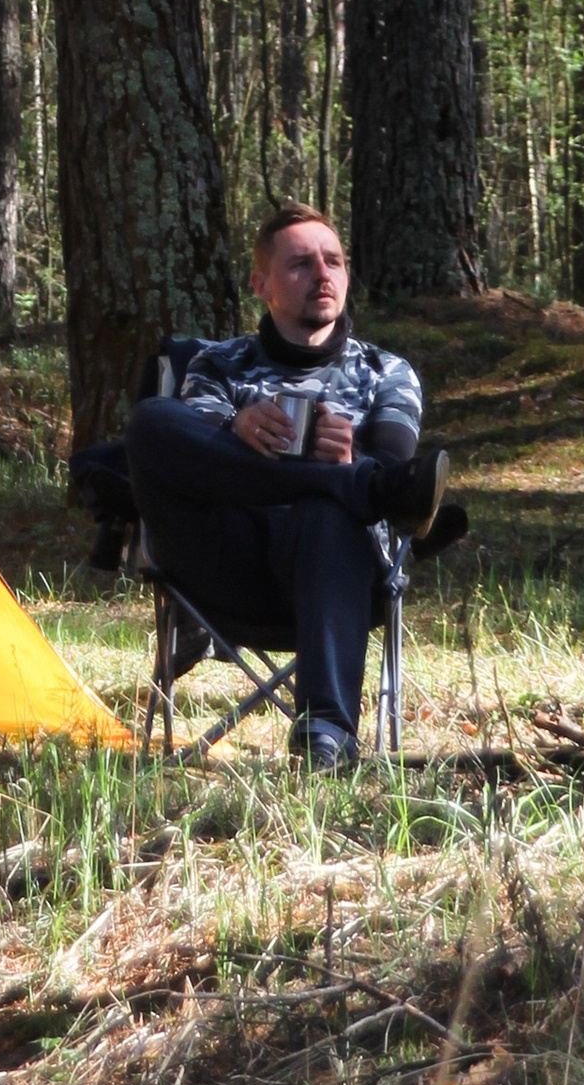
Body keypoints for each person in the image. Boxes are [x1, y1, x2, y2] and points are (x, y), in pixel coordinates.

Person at [124, 201, 451, 767]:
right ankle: (350, 484)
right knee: (152, 420)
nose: (323, 276)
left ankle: (325, 734)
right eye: (301, 264)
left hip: (336, 578)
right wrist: (234, 427)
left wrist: (351, 452)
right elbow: (186, 453)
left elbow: (394, 459)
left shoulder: (386, 372)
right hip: (226, 567)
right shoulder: (217, 364)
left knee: (329, 512)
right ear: (261, 283)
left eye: (334, 262)